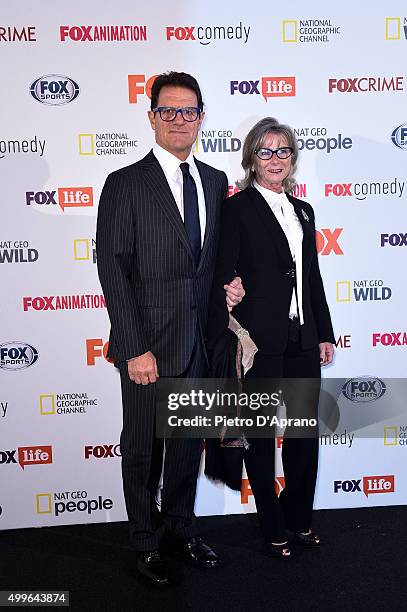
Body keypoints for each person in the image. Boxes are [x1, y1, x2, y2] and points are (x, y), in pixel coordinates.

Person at [96, 71, 244, 587]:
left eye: (189, 111)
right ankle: (144, 541)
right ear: (152, 117)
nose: (179, 120)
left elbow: (210, 260)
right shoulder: (124, 184)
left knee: (185, 446)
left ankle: (180, 531)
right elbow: (113, 269)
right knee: (142, 449)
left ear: (202, 117)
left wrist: (229, 285)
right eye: (168, 111)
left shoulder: (213, 180)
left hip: (200, 343)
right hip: (147, 348)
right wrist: (134, 348)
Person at [208, 117, 335, 559]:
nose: (276, 159)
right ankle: (273, 526)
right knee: (261, 439)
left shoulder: (304, 210)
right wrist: (229, 286)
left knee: (303, 435)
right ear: (251, 159)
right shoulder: (237, 208)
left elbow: (311, 278)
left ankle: (299, 518)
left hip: (303, 338)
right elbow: (223, 267)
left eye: (284, 151)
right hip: (259, 342)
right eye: (266, 151)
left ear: (293, 158)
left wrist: (324, 332)